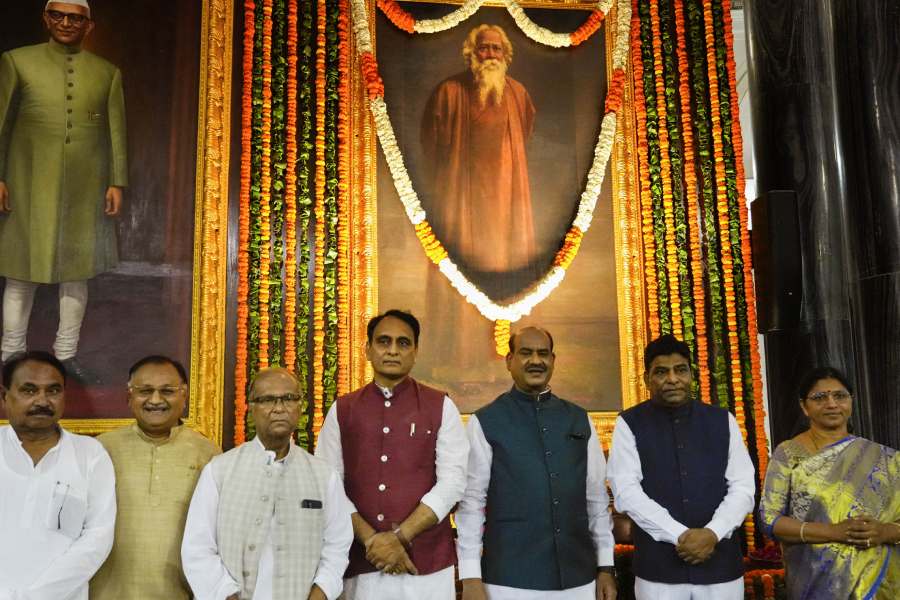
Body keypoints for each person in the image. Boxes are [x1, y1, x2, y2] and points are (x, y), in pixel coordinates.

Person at [0, 0, 127, 383]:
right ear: (46, 19)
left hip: (85, 188)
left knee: (77, 275)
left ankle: (67, 354)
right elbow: (1, 123)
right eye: (58, 15)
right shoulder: (17, 61)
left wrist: (116, 181)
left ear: (88, 25)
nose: (66, 23)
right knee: (21, 274)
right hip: (28, 182)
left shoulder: (106, 72)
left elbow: (115, 134)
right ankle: (10, 353)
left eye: (76, 17)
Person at [315, 309, 469, 600]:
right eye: (384, 342)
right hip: (362, 562)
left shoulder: (441, 406)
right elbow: (328, 485)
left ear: (415, 351)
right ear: (368, 350)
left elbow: (453, 484)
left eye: (403, 343)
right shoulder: (343, 410)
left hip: (428, 567)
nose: (393, 350)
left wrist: (399, 538)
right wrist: (372, 541)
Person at [456, 326, 617, 600]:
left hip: (578, 578)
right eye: (526, 353)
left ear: (553, 360)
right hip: (508, 579)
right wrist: (470, 577)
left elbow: (596, 500)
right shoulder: (486, 421)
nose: (536, 361)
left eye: (543, 354)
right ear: (509, 361)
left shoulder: (579, 419)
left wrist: (605, 567)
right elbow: (472, 502)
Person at [181, 367, 353, 600]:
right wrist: (225, 595)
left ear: (300, 407)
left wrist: (319, 594)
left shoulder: (324, 476)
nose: (279, 408)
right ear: (251, 408)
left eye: (289, 399)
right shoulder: (220, 471)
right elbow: (198, 548)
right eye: (268, 400)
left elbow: (337, 547)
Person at [607, 334, 755, 600]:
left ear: (691, 374)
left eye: (680, 370)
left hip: (720, 568)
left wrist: (713, 533)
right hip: (659, 571)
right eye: (661, 372)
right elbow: (626, 492)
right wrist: (680, 535)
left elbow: (743, 487)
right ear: (646, 379)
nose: (672, 379)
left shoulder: (722, 420)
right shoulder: (629, 423)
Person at [758, 367, 900, 599]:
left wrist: (884, 531)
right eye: (819, 397)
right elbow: (769, 520)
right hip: (815, 583)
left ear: (851, 401)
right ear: (804, 406)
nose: (831, 403)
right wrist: (833, 532)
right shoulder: (789, 454)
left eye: (840, 396)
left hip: (879, 584)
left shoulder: (886, 459)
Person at [90, 355, 220, 599]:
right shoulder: (101, 449)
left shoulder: (208, 454)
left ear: (184, 395)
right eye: (145, 391)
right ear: (129, 397)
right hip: (106, 593)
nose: (156, 400)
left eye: (167, 391)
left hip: (179, 593)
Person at [0, 351, 116, 600]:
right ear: (4, 397)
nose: (42, 400)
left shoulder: (90, 455)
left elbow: (97, 538)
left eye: (53, 391)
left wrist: (35, 596)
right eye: (29, 390)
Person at [421, 24, 536, 274]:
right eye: (484, 48)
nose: (492, 54)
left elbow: (526, 130)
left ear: (505, 54)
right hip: (461, 192)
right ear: (472, 53)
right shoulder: (448, 92)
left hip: (507, 191)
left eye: (497, 48)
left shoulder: (518, 93)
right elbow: (430, 145)